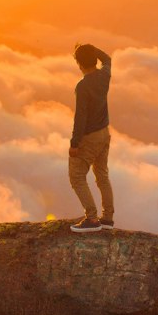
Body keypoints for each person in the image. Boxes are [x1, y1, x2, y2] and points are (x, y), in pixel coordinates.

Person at [68, 42, 114, 232]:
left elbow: (81, 117)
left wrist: (74, 143)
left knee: (77, 177)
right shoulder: (104, 76)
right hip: (104, 134)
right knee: (102, 176)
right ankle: (108, 218)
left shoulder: (83, 86)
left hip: (90, 137)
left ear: (79, 63)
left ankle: (92, 218)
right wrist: (93, 50)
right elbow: (108, 59)